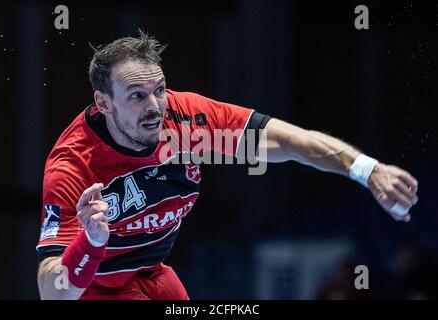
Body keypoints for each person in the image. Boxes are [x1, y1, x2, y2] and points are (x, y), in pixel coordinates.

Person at [36, 30, 419, 300]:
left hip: (154, 272)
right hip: (97, 285)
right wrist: (92, 243)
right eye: (136, 96)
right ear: (103, 104)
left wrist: (367, 170)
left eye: (159, 91)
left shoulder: (187, 123)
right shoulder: (73, 167)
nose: (154, 108)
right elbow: (52, 292)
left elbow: (285, 140)